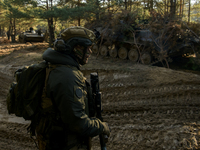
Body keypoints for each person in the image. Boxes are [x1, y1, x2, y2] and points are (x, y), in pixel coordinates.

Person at [35, 26, 110, 150]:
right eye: (88, 48)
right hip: (64, 144)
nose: (90, 52)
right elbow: (78, 124)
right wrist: (102, 126)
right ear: (76, 48)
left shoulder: (56, 66)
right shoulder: (67, 77)